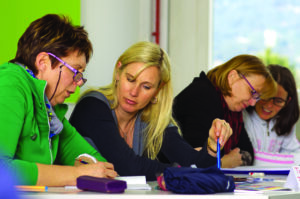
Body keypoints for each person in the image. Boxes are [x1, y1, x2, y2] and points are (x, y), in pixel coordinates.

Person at [69, 41, 232, 180]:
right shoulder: (92, 105)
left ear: (158, 89)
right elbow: (128, 167)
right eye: (130, 79)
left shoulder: (154, 117)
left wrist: (211, 147)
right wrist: (182, 170)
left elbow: (196, 165)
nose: (134, 92)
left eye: (146, 86)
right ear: (118, 72)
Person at [0, 14, 117, 186]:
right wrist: (77, 173)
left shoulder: (50, 110)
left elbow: (101, 168)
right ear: (43, 62)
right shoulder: (9, 83)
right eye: (75, 72)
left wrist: (85, 161)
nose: (78, 84)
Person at [172, 55, 277, 168]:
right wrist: (223, 163)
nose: (252, 103)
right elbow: (196, 161)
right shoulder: (202, 95)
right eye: (252, 92)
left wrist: (223, 161)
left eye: (257, 97)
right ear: (232, 77)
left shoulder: (232, 107)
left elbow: (248, 153)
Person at [243, 64, 300, 165]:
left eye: (278, 101)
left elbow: (296, 153)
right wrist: (291, 160)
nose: (269, 106)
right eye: (266, 96)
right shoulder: (243, 116)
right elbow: (250, 157)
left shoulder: (286, 120)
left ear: (287, 102)